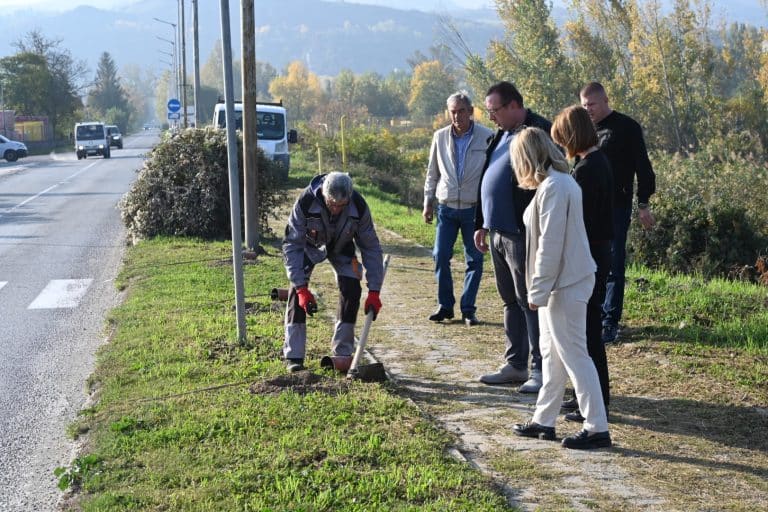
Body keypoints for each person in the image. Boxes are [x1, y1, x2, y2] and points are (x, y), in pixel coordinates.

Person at [509, 127, 611, 450]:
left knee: (574, 354)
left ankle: (596, 426)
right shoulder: (558, 183)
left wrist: (536, 293)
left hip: (564, 283)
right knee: (552, 354)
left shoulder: (555, 187)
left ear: (528, 159)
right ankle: (544, 419)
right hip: (563, 282)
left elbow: (549, 246)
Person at [473, 81, 550, 393]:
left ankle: (539, 368)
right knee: (509, 300)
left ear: (515, 105)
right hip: (498, 232)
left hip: (522, 233)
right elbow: (488, 176)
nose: (491, 117)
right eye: (489, 111)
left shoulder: (538, 131)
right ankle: (515, 363)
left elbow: (547, 181)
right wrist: (482, 222)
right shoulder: (501, 134)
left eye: (495, 110)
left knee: (529, 301)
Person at [282, 172, 385, 372]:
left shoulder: (359, 206)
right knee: (296, 291)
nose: (337, 209)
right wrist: (302, 288)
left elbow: (371, 247)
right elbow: (292, 244)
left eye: (342, 205)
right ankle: (294, 355)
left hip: (342, 247)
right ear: (323, 194)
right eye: (332, 204)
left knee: (352, 288)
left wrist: (374, 291)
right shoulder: (305, 202)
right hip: (309, 247)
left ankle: (342, 353)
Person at [550, 105, 614, 422]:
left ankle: (596, 398)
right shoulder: (593, 162)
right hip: (598, 252)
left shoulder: (588, 170)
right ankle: (582, 395)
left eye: (563, 140)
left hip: (591, 255)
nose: (563, 146)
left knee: (587, 331)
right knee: (584, 330)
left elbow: (581, 221)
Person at [580, 82, 656, 344]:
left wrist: (643, 203)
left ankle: (609, 321)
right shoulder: (584, 128)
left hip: (616, 206)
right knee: (587, 263)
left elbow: (643, 167)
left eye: (592, 104)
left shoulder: (626, 127)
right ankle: (590, 316)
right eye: (584, 105)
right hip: (586, 207)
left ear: (605, 101)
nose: (588, 109)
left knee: (613, 263)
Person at [423, 92, 494, 326]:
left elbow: (492, 175)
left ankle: (468, 308)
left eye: (461, 111)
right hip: (447, 206)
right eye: (453, 111)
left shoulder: (487, 137)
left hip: (473, 209)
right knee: (440, 255)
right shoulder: (440, 137)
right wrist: (428, 202)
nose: (457, 116)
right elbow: (432, 172)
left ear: (470, 111)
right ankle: (445, 306)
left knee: (474, 259)